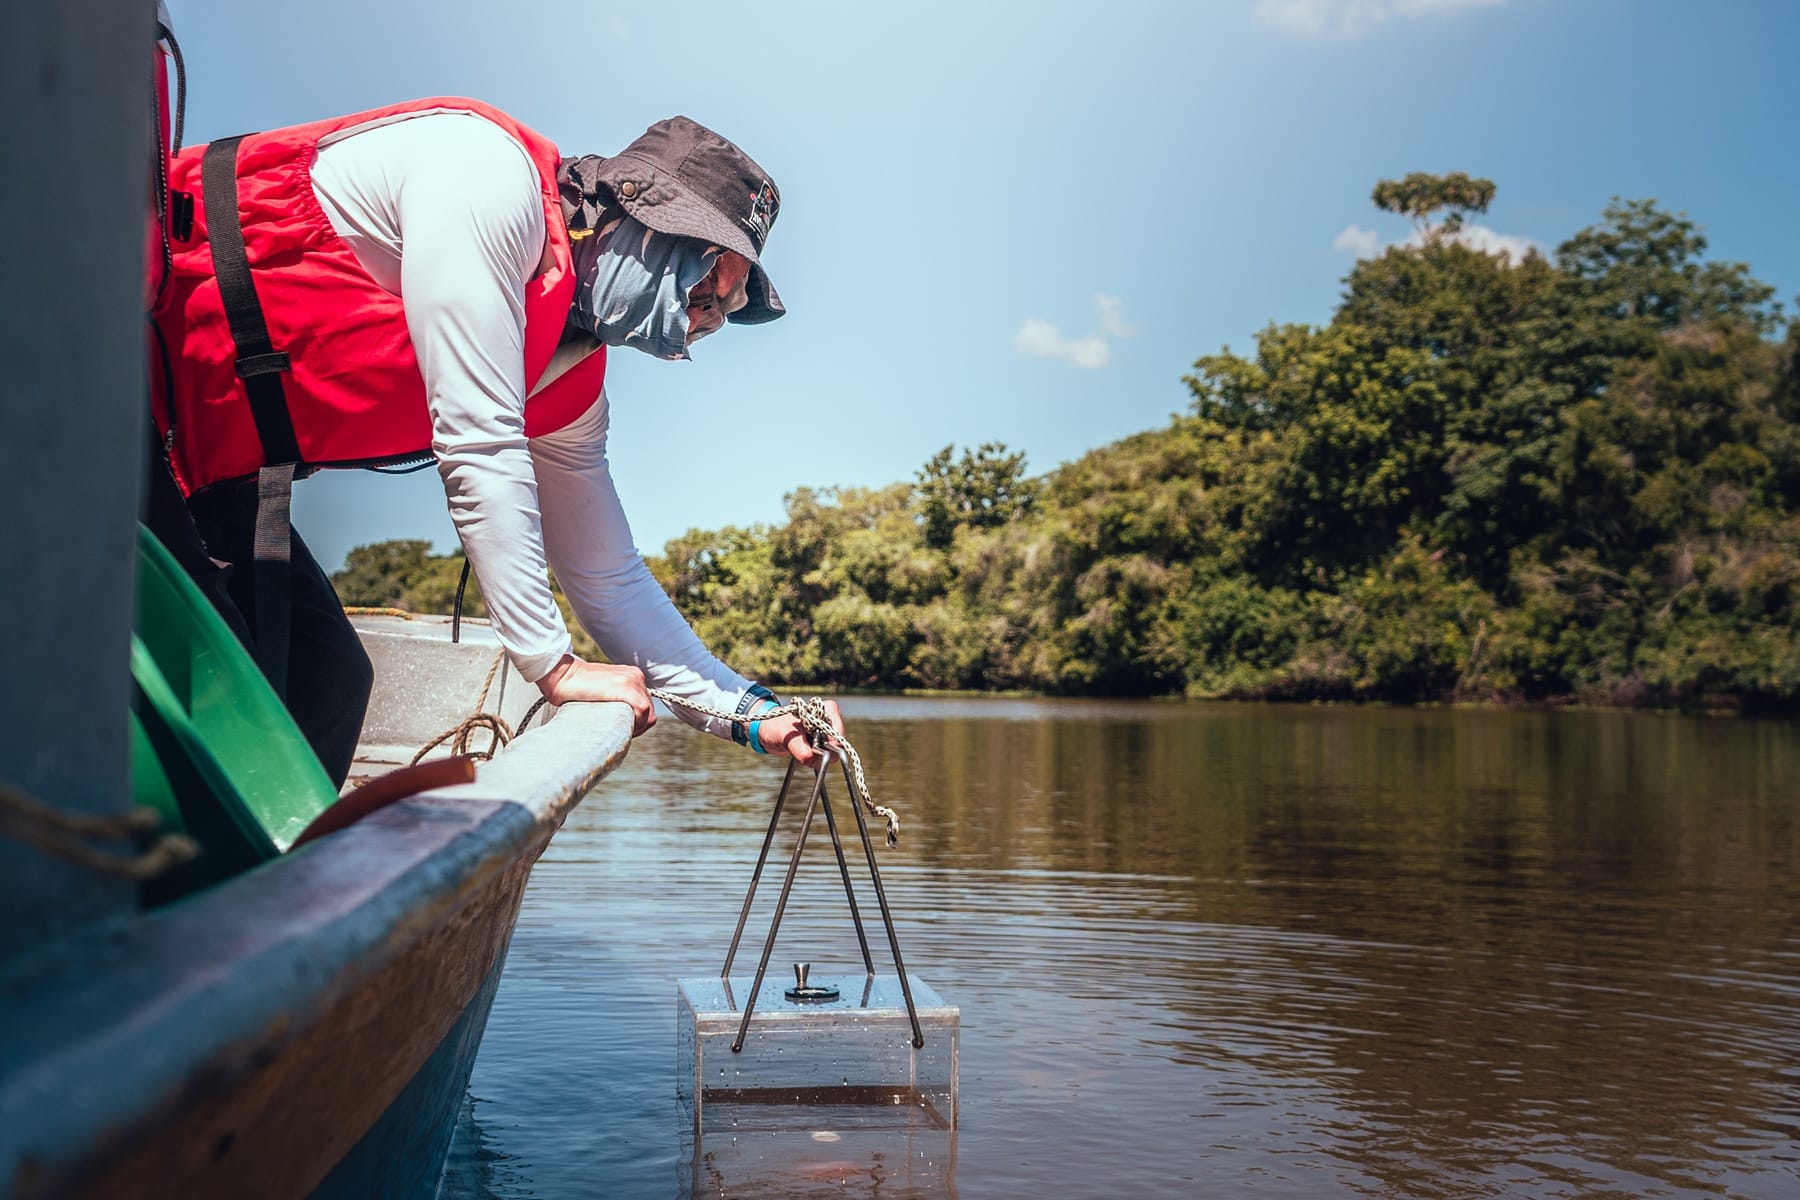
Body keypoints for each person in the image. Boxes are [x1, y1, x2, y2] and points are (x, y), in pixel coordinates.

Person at [146, 97, 841, 786]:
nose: (706, 324)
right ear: (647, 219)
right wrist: (554, 667)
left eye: (727, 312)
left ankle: (256, 892)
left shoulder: (565, 373)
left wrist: (751, 713)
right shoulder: (484, 178)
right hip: (109, 386)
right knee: (226, 682)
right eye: (709, 293)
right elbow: (478, 440)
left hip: (197, 473)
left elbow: (606, 574)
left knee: (325, 679)